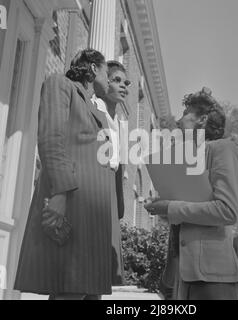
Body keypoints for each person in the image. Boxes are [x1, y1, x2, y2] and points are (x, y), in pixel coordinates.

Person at [14, 49, 116, 300]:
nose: (110, 79)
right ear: (92, 68)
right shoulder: (60, 85)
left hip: (94, 215)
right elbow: (51, 139)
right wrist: (59, 195)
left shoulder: (98, 112)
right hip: (72, 203)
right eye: (107, 73)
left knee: (88, 292)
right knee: (69, 290)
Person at [145, 87, 238, 300]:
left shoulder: (221, 149)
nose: (179, 122)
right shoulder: (185, 157)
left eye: (185, 114)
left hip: (213, 277)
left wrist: (171, 207)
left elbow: (228, 211)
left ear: (202, 119)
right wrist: (163, 206)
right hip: (182, 274)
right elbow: (188, 211)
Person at [92, 60, 131, 286]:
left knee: (101, 275)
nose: (123, 86)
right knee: (81, 270)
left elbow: (119, 168)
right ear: (105, 81)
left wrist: (118, 205)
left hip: (111, 197)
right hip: (93, 189)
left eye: (126, 82)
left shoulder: (121, 122)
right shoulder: (92, 107)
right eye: (117, 80)